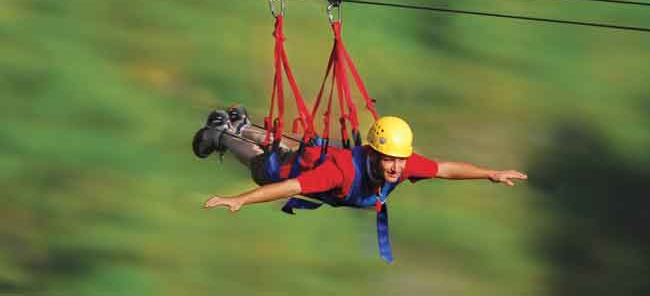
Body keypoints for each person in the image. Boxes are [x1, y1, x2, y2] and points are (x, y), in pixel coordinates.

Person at [192, 105, 527, 262]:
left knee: (287, 149)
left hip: (309, 157)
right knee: (263, 164)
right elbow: (290, 188)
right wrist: (239, 200)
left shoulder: (402, 162)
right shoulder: (341, 172)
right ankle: (220, 134)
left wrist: (490, 173)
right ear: (374, 153)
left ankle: (241, 124)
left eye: (400, 160)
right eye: (390, 160)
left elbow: (444, 169)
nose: (396, 168)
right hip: (293, 173)